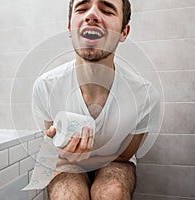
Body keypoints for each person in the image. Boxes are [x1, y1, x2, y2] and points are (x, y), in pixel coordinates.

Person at [32, 0, 161, 199]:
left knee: (112, 193)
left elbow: (124, 155)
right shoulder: (46, 86)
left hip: (116, 161)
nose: (91, 15)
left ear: (124, 32)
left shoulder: (144, 95)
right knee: (68, 195)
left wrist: (84, 161)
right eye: (82, 8)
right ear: (69, 27)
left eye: (107, 10)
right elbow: (51, 152)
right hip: (67, 163)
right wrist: (58, 151)